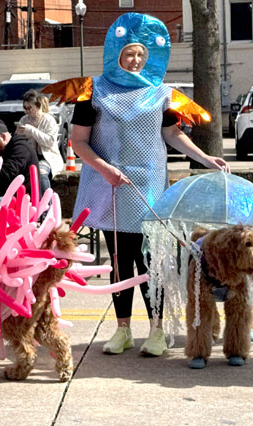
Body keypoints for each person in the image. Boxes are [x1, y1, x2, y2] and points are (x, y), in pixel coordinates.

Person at [69, 13, 230, 356]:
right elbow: (79, 142)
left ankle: (157, 329)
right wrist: (105, 169)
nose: (136, 60)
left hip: (149, 188)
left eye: (141, 54)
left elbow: (172, 134)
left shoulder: (160, 93)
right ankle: (123, 329)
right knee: (119, 261)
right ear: (115, 53)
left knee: (151, 261)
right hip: (111, 187)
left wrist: (205, 158)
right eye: (129, 53)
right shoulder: (92, 91)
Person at [16, 89, 63, 196]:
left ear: (38, 106)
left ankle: (46, 204)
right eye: (25, 108)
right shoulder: (24, 120)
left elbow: (50, 142)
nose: (27, 111)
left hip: (46, 157)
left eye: (29, 108)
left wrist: (32, 131)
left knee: (41, 174)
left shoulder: (49, 120)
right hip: (28, 158)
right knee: (17, 173)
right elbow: (18, 142)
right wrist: (18, 135)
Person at [0, 123, 39, 197]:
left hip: (23, 198)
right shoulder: (7, 148)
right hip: (10, 195)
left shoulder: (21, 148)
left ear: (3, 137)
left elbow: (8, 173)